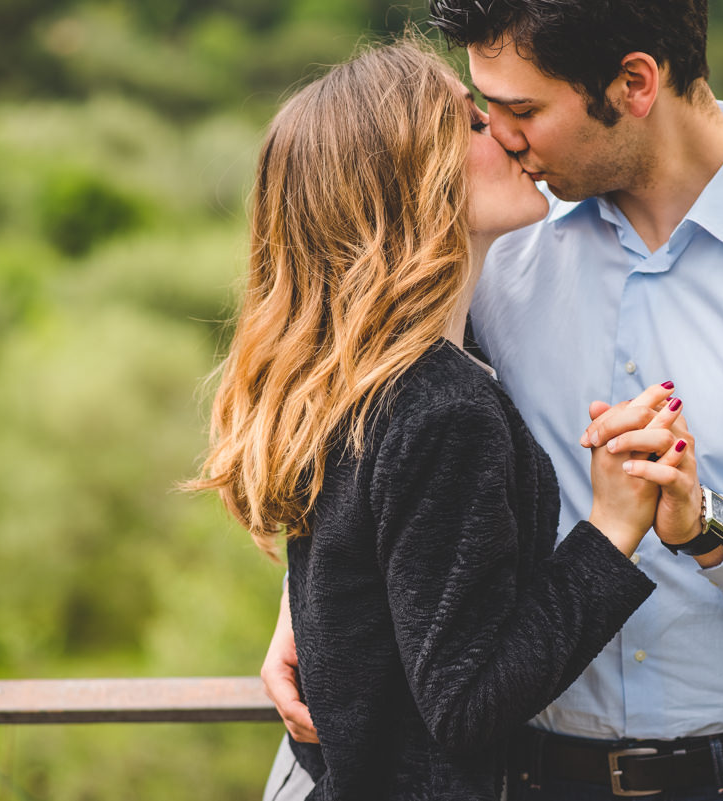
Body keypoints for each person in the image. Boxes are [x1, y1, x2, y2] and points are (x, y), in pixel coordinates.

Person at [263, 2, 723, 799]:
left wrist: (710, 528)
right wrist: (309, 607)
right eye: (488, 114)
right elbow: (386, 438)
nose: (504, 136)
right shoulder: (486, 240)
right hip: (526, 774)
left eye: (523, 111)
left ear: (634, 83)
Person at [193, 36, 682, 800]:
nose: (510, 133)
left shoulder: (370, 374)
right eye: (476, 125)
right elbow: (466, 703)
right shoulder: (442, 408)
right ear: (416, 180)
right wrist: (613, 530)